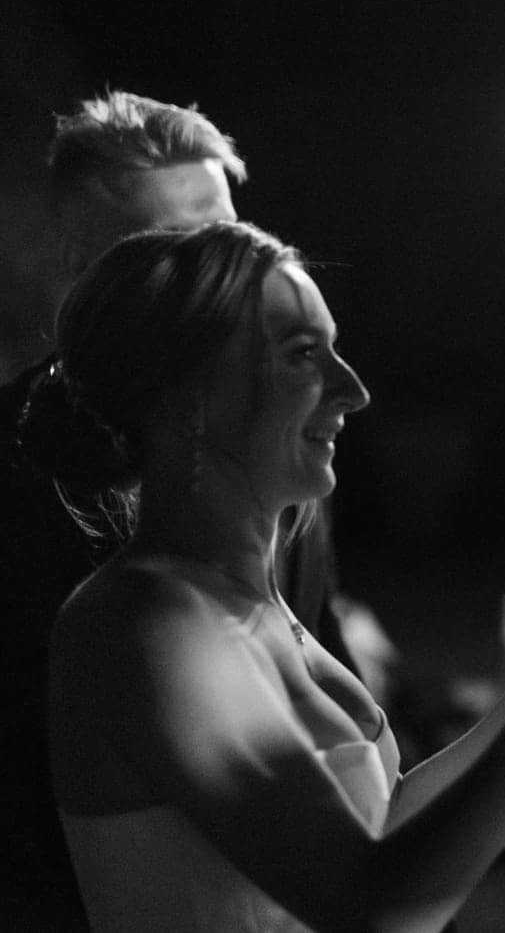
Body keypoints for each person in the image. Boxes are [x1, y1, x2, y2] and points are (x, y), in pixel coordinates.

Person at [19, 219, 505, 931]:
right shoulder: (147, 622)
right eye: (301, 354)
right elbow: (372, 905)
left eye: (336, 347)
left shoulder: (243, 603)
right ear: (190, 399)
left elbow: (390, 816)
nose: (353, 389)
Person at [0, 90, 276, 929]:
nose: (219, 274)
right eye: (173, 247)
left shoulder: (284, 451)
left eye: (226, 237)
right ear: (81, 265)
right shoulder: (8, 470)